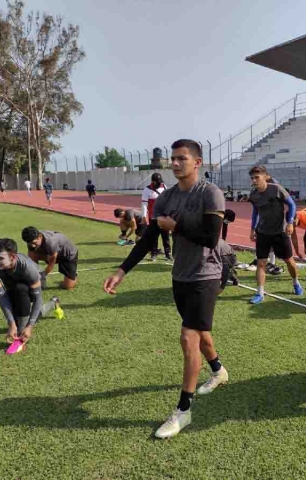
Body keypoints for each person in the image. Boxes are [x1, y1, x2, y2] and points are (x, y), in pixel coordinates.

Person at [103, 139, 228, 439]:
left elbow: (212, 237)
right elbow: (148, 241)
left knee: (188, 337)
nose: (174, 163)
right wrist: (122, 271)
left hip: (207, 274)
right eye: (172, 158)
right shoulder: (165, 199)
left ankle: (183, 411)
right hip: (180, 276)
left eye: (181, 158)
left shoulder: (211, 193)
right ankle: (219, 371)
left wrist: (177, 226)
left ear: (197, 162)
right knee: (201, 334)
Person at [0, 238, 62, 350]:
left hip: (36, 279)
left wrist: (30, 326)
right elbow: (1, 295)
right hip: (12, 283)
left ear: (13, 257)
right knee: (16, 315)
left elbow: (37, 299)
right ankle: (53, 302)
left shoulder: (27, 268)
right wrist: (11, 323)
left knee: (21, 290)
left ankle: (21, 334)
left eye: (0, 258)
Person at [248, 165, 302, 304]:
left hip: (280, 232)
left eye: (257, 177)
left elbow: (292, 205)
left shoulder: (276, 189)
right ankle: (260, 293)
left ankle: (296, 283)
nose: (254, 180)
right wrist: (252, 228)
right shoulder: (253, 194)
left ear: (265, 177)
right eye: (252, 178)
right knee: (261, 263)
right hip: (263, 233)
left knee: (289, 261)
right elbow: (255, 212)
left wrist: (290, 222)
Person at [141, 172, 173, 261]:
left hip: (164, 217)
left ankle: (168, 254)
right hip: (153, 217)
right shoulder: (147, 190)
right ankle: (154, 254)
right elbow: (144, 204)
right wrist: (144, 217)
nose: (160, 184)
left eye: (160, 182)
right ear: (153, 182)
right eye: (158, 182)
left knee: (165, 236)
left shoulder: (164, 187)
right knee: (154, 236)